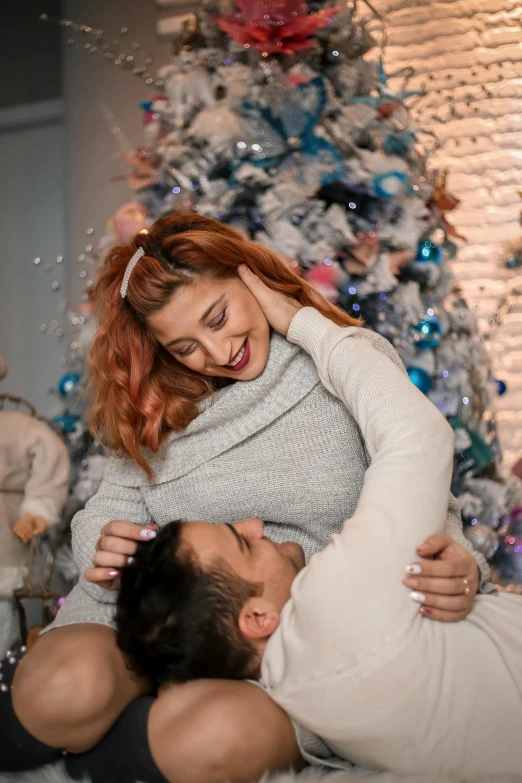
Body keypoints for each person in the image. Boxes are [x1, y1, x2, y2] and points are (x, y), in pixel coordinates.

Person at [1, 215, 489, 783]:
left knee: (212, 737)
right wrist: (103, 545)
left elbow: (422, 475)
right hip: (161, 615)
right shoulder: (162, 403)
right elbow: (108, 510)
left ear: (252, 277)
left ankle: (126, 748)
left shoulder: (342, 361)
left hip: (286, 638)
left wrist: (460, 564)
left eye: (219, 316)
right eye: (185, 344)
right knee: (62, 688)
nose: (216, 350)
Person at [114, 296, 522, 778]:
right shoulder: (335, 602)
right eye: (242, 543)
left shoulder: (294, 693)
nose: (253, 524)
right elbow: (418, 436)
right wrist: (301, 321)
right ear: (258, 617)